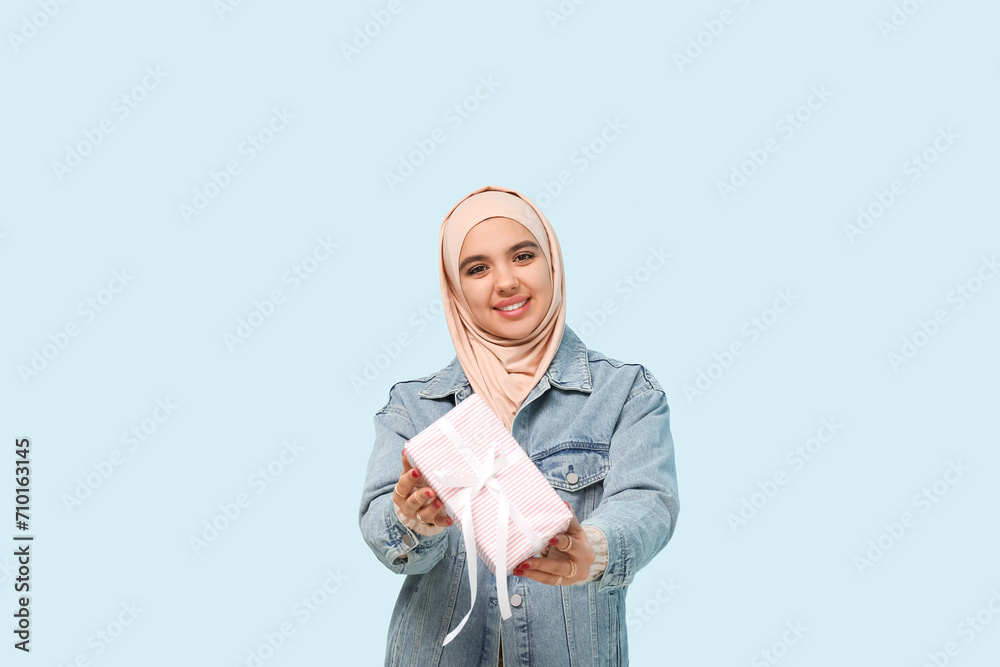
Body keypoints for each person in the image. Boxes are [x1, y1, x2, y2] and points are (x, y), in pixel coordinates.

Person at [358, 185, 679, 666]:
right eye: (477, 268)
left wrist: (593, 549)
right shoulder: (413, 406)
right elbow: (388, 539)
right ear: (455, 288)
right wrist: (412, 521)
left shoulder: (627, 392)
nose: (506, 282)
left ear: (552, 263)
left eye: (523, 256)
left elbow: (648, 502)